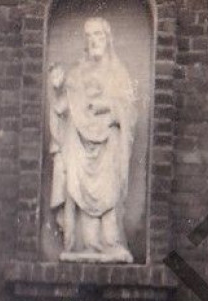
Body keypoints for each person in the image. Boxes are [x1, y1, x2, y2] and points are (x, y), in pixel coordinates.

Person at [47, 16, 137, 262]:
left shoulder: (119, 73)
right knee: (79, 192)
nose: (93, 40)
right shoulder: (76, 74)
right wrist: (56, 89)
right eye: (89, 36)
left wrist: (106, 107)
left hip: (109, 145)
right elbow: (63, 109)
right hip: (78, 145)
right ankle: (85, 246)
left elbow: (129, 111)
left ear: (108, 39)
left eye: (98, 35)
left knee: (109, 196)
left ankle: (110, 243)